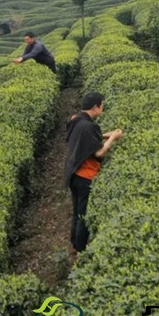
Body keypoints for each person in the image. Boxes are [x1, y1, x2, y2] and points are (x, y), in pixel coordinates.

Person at [63, 91, 123, 253]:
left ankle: (74, 244)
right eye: (102, 107)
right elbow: (98, 153)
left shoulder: (76, 119)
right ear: (95, 107)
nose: (102, 110)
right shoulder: (89, 126)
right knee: (84, 215)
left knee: (77, 211)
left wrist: (104, 135)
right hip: (85, 176)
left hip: (73, 174)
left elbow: (86, 137)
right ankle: (80, 249)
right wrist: (112, 138)